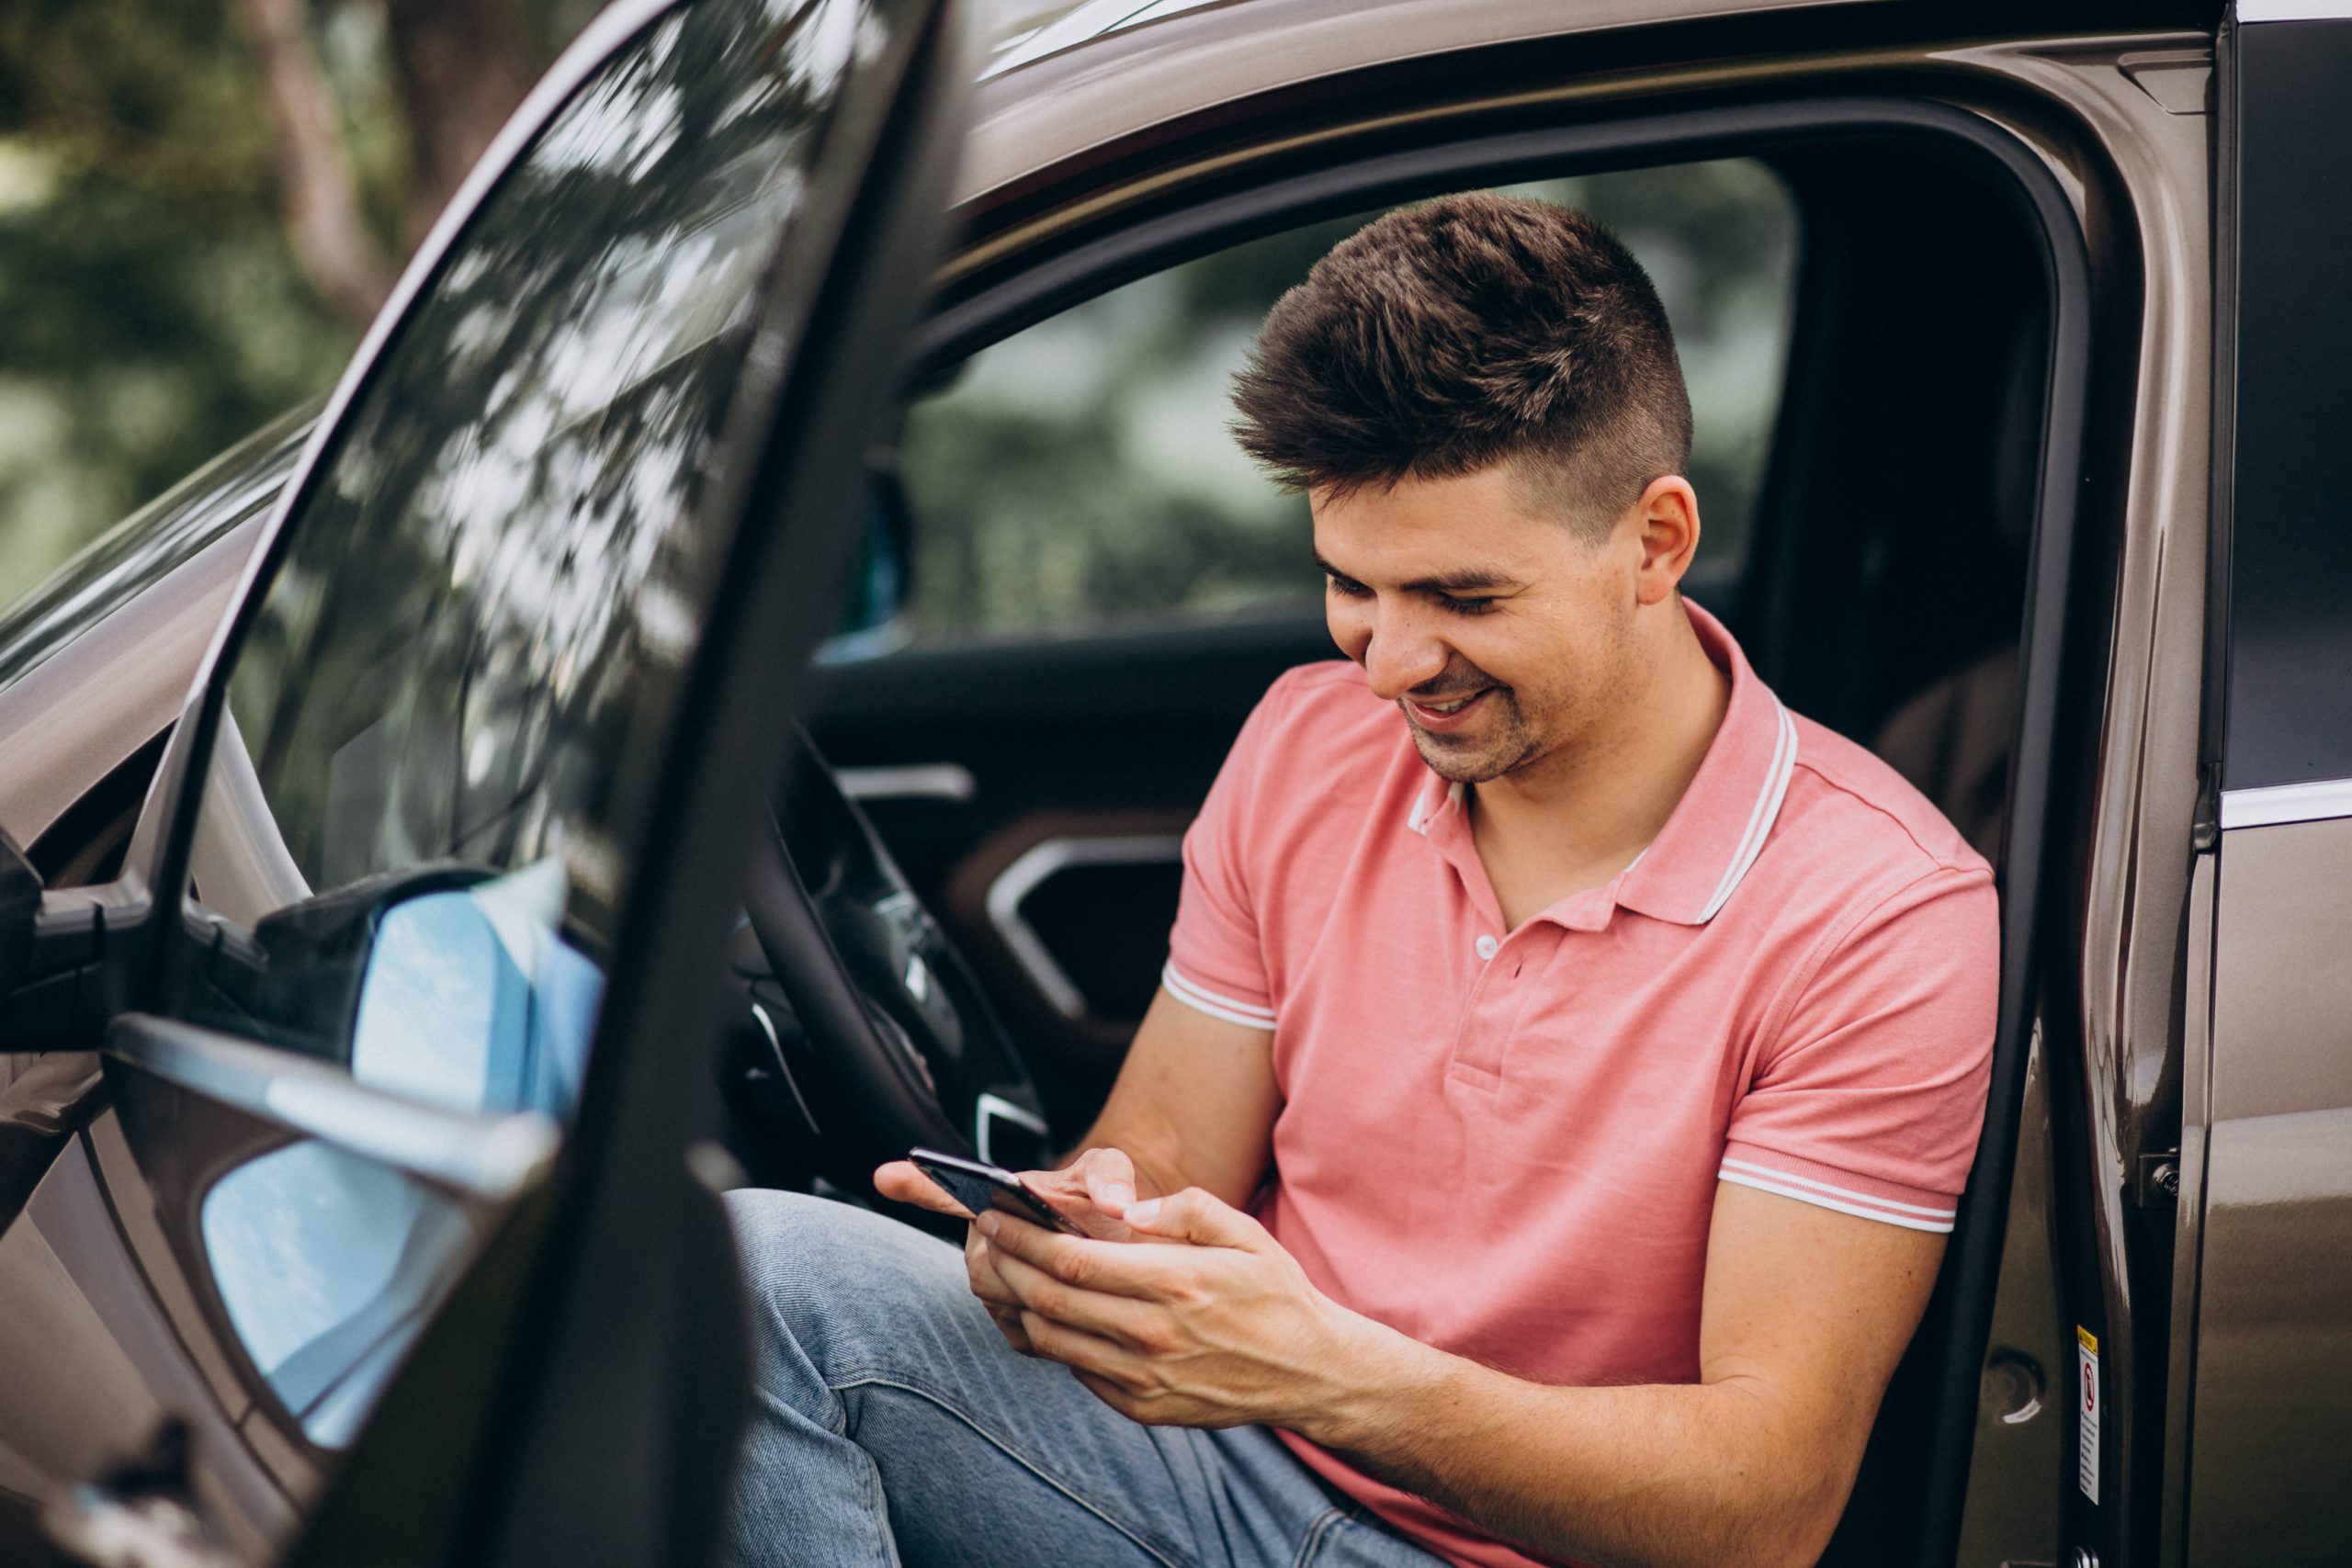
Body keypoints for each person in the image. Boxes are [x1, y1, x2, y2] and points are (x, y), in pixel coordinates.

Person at [725, 192, 1997, 1568]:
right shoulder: (1307, 741)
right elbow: (1158, 1155)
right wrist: (1074, 1240)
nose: (1389, 664)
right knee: (743, 1278)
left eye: (1462, 598)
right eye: (1352, 585)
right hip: (1219, 1467)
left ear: (1656, 543)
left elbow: (1765, 1508)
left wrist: (1324, 1372)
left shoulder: (1883, 917)